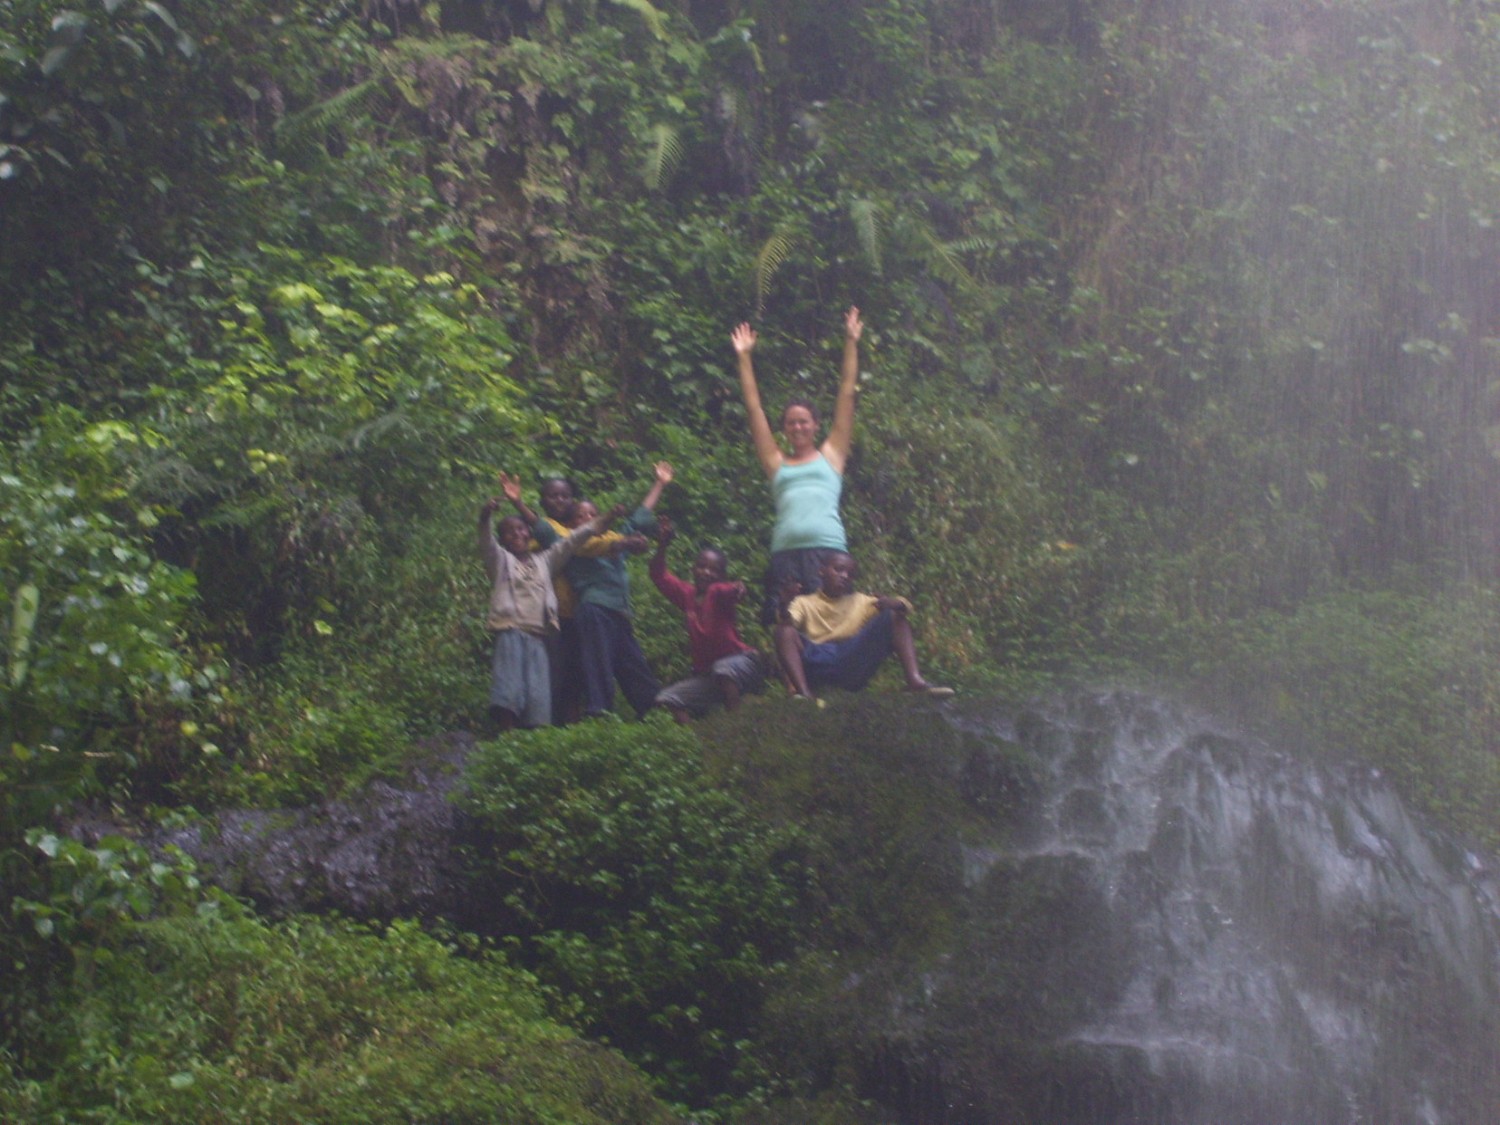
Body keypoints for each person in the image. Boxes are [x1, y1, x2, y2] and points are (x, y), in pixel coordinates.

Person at [732, 306, 863, 626]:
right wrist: (744, 357)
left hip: (828, 552)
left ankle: (833, 675)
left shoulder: (832, 454)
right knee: (786, 623)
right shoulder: (776, 462)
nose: (797, 428)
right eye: (791, 423)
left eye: (804, 422)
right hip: (786, 553)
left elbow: (846, 393)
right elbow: (754, 409)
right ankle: (793, 679)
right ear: (784, 429)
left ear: (816, 425)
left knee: (832, 623)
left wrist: (851, 341)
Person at [523, 462, 673, 720]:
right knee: (598, 664)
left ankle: (655, 713)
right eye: (581, 515)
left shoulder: (612, 535)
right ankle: (599, 715)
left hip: (619, 612)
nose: (588, 519)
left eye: (593, 513)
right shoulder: (573, 541)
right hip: (593, 610)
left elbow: (640, 516)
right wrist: (518, 502)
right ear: (572, 523)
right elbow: (547, 530)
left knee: (632, 663)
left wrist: (660, 483)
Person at [477, 487, 622, 731]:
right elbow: (485, 541)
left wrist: (606, 518)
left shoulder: (544, 560)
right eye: (510, 532)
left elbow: (573, 540)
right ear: (503, 541)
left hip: (539, 634)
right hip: (510, 630)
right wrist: (486, 516)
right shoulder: (500, 561)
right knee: (509, 686)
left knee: (538, 692)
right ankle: (508, 736)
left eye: (522, 529)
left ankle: (536, 739)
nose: (518, 534)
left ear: (530, 533)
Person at [774, 551, 954, 702]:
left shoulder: (861, 601)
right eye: (838, 569)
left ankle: (915, 680)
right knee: (784, 631)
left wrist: (894, 603)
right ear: (822, 571)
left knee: (893, 616)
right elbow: (788, 622)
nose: (844, 576)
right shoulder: (804, 602)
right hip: (817, 660)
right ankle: (804, 694)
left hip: (850, 658)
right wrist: (784, 604)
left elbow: (905, 607)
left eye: (849, 574)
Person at [649, 515, 766, 723]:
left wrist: (738, 589)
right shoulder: (687, 594)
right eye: (702, 566)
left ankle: (735, 728)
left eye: (714, 570)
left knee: (723, 669)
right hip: (711, 675)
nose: (706, 573)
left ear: (721, 575)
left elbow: (730, 590)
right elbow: (658, 575)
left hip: (743, 664)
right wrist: (662, 545)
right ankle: (699, 743)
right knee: (667, 698)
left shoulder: (717, 591)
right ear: (693, 569)